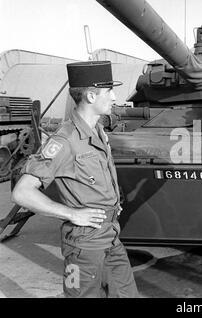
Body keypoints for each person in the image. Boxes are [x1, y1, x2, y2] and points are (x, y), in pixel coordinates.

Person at [11, 61, 139, 298]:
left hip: (110, 237)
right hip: (84, 247)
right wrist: (72, 214)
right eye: (109, 91)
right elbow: (22, 192)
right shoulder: (65, 140)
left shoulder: (98, 131)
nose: (114, 97)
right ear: (91, 95)